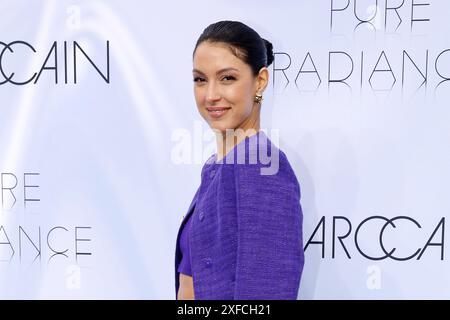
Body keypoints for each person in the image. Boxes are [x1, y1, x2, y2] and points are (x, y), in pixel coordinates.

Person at [174, 20, 304, 300]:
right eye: (200, 79)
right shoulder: (216, 167)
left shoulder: (261, 165)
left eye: (227, 78)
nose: (211, 95)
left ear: (260, 80)